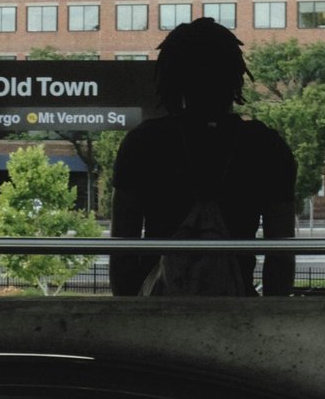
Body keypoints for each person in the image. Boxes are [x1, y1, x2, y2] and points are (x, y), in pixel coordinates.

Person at [109, 18, 297, 297]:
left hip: (158, 310)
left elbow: (123, 247)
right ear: (235, 75)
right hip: (235, 305)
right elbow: (281, 256)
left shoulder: (143, 143)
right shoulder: (265, 146)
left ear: (172, 78)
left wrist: (129, 310)